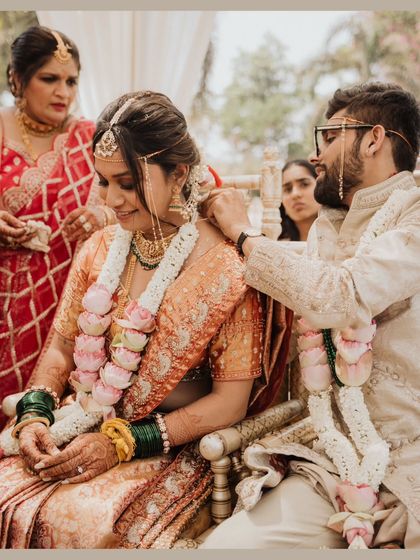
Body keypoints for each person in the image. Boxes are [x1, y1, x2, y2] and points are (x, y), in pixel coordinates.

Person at [0, 91, 289, 549]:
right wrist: (35, 415)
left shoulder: (227, 269)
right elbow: (60, 348)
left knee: (83, 523)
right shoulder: (98, 247)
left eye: (128, 183)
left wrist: (121, 443)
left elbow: (229, 404)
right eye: (103, 182)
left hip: (171, 445)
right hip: (81, 421)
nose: (111, 199)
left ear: (177, 174)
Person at [201, 82, 420, 549]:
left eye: (328, 136)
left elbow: (343, 294)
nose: (316, 154)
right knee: (225, 550)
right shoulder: (330, 225)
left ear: (374, 138)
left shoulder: (415, 215)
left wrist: (242, 233)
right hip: (329, 460)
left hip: (409, 460)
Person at [0, 26, 114, 429]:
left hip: (78, 301)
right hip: (9, 306)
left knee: (60, 414)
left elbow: (138, 197)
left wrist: (103, 216)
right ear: (17, 79)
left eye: (71, 81)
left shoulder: (90, 137)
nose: (63, 92)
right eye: (49, 79)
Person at [279, 159, 320, 242]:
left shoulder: (346, 242)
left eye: (304, 184)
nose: (295, 194)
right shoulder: (276, 246)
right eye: (287, 189)